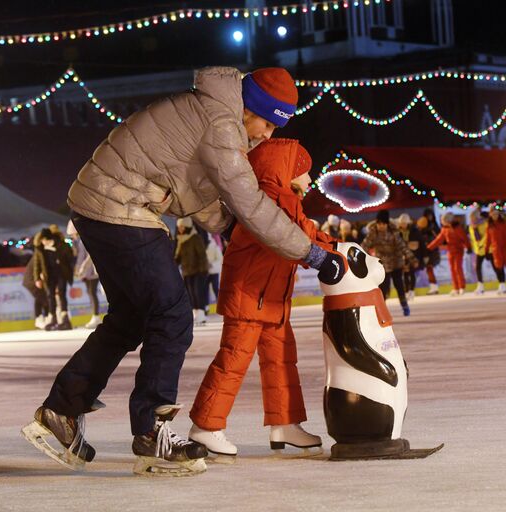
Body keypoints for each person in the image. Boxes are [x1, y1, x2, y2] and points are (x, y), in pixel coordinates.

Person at [22, 66, 346, 476]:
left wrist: (229, 228)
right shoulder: (222, 124)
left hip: (100, 203)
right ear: (252, 108)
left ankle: (61, 411)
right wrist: (312, 254)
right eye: (267, 122)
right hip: (122, 208)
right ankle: (152, 434)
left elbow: (200, 189)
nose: (266, 134)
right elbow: (247, 199)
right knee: (173, 315)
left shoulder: (211, 112)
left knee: (129, 319)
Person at [189, 138, 329, 458]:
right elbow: (304, 235)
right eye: (305, 171)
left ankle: (285, 423)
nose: (310, 178)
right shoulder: (275, 198)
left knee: (281, 358)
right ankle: (206, 426)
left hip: (271, 296)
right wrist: (338, 254)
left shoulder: (272, 197)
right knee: (233, 361)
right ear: (286, 171)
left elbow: (306, 233)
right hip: (252, 296)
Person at [362, 210, 413, 316]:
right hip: (382, 264)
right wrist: (358, 255)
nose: (381, 226)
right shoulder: (373, 232)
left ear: (387, 224)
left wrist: (411, 258)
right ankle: (381, 309)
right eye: (379, 223)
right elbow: (364, 245)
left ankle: (404, 305)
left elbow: (402, 246)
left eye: (383, 224)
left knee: (399, 285)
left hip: (396, 262)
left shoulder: (393, 232)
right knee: (383, 288)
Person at [33, 228, 74, 331]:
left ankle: (65, 319)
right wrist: (37, 277)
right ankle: (52, 319)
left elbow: (70, 257)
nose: (42, 242)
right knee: (50, 296)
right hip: (49, 276)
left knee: (61, 294)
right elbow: (36, 264)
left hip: (61, 274)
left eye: (43, 240)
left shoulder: (61, 245)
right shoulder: (40, 248)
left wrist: (59, 256)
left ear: (48, 238)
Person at [175, 217, 209, 327]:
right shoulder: (181, 239)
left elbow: (202, 255)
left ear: (187, 226)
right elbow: (178, 257)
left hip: (198, 271)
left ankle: (202, 314)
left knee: (197, 292)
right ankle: (196, 314)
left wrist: (203, 270)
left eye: (182, 226)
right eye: (179, 227)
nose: (180, 229)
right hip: (187, 272)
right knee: (190, 294)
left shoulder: (195, 238)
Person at [68, 221, 102, 330]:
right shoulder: (79, 241)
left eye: (72, 234)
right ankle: (95, 316)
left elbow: (86, 256)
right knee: (90, 293)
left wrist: (81, 268)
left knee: (92, 293)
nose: (72, 236)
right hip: (87, 271)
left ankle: (96, 316)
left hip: (91, 271)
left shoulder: (84, 240)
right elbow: (80, 257)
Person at [427, 212, 471, 295]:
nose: (442, 222)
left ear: (448, 220)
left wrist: (468, 247)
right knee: (452, 269)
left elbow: (465, 239)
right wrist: (429, 248)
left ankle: (462, 287)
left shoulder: (458, 229)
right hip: (450, 251)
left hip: (458, 250)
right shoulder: (444, 229)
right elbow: (438, 240)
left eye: (443, 220)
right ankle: (455, 288)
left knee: (457, 268)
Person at [486, 208, 506, 295]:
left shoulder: (504, 224)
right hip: (496, 251)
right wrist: (486, 251)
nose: (495, 216)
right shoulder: (490, 227)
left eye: (496, 214)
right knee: (499, 269)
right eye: (493, 215)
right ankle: (502, 286)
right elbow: (488, 240)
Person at [23, 230, 51, 329]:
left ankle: (41, 318)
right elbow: (37, 266)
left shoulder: (42, 250)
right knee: (44, 299)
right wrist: (38, 278)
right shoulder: (40, 251)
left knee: (41, 298)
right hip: (32, 279)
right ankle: (42, 319)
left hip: (33, 279)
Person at [396, 213, 420, 300]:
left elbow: (417, 243)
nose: (403, 225)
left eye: (405, 223)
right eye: (402, 223)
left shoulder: (414, 230)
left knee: (412, 273)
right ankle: (406, 291)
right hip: (402, 255)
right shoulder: (398, 232)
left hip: (413, 255)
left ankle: (412, 291)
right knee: (405, 273)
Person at [417, 209, 441, 294]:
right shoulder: (422, 227)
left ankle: (434, 287)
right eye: (428, 215)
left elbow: (439, 237)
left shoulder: (434, 227)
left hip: (432, 250)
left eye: (431, 215)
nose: (430, 217)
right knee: (428, 269)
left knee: (429, 268)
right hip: (426, 250)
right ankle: (433, 286)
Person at [467, 207, 491, 295]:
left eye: (473, 217)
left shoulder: (485, 224)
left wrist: (481, 244)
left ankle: (502, 283)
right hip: (478, 250)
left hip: (488, 248)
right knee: (478, 267)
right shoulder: (471, 226)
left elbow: (487, 236)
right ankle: (480, 285)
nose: (472, 219)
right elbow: (473, 238)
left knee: (497, 266)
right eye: (471, 218)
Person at [204, 233, 223, 312]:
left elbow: (219, 258)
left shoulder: (214, 245)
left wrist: (211, 264)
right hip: (205, 271)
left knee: (215, 288)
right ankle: (206, 307)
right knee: (205, 289)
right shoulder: (202, 245)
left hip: (213, 271)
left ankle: (220, 305)